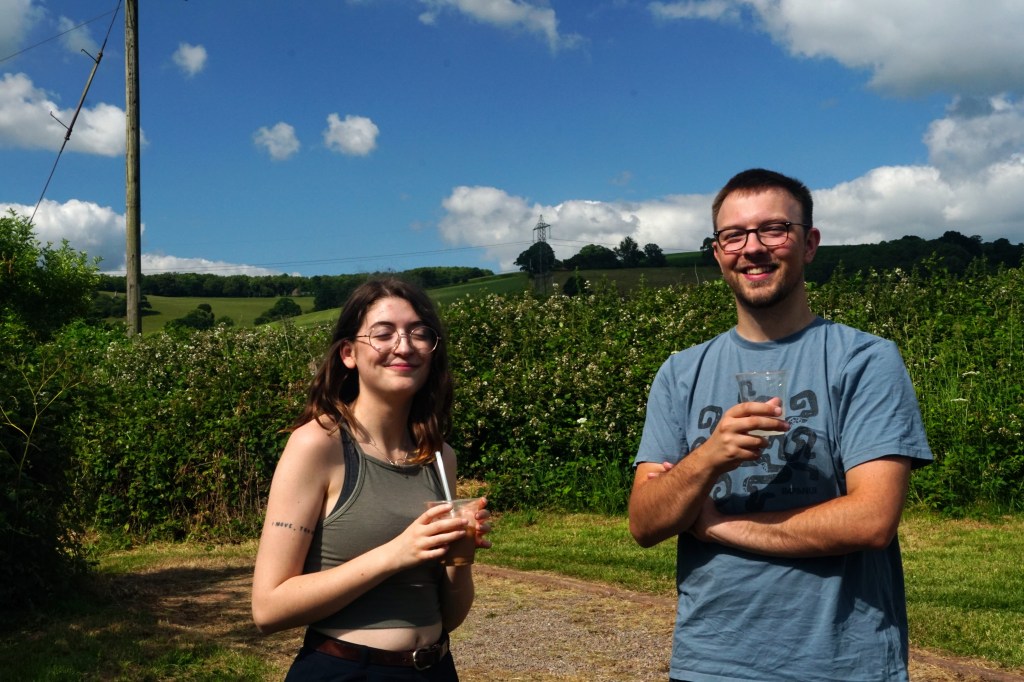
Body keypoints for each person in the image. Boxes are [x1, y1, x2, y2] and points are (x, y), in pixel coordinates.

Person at [628, 168, 932, 682]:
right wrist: (708, 458)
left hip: (842, 662)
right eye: (734, 235)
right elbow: (644, 522)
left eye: (774, 229)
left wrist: (718, 526)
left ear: (809, 244)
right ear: (718, 253)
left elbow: (872, 520)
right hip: (711, 661)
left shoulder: (863, 360)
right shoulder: (681, 373)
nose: (753, 248)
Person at [252, 277, 490, 681]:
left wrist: (459, 557)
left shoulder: (439, 456)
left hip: (435, 669)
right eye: (383, 333)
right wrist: (398, 553)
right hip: (347, 671)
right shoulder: (317, 444)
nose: (404, 346)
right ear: (349, 353)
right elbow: (268, 609)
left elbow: (450, 616)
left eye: (419, 333)